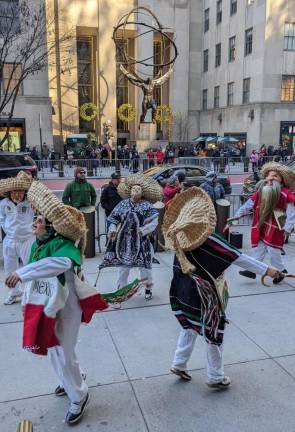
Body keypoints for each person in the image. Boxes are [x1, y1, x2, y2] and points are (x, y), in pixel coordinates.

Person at [162, 187, 283, 387]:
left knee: (189, 325)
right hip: (204, 295)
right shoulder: (210, 240)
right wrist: (269, 270)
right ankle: (216, 377)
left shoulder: (180, 239)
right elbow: (239, 258)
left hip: (183, 291)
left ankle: (179, 362)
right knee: (212, 331)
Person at [227, 162, 295, 283]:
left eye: (275, 176)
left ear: (281, 180)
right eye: (269, 175)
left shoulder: (285, 194)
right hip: (260, 227)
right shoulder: (261, 192)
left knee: (274, 253)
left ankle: (281, 272)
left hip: (275, 229)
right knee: (258, 250)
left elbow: (291, 212)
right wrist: (235, 217)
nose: (271, 178)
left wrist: (288, 228)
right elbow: (247, 205)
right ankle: (252, 270)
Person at [100, 174, 163, 300]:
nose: (135, 197)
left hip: (142, 241)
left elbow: (154, 222)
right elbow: (113, 218)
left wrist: (143, 230)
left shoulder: (146, 206)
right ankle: (121, 290)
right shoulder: (123, 204)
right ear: (130, 193)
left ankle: (148, 288)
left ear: (141, 194)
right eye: (133, 194)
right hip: (124, 241)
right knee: (123, 268)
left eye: (137, 195)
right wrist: (112, 229)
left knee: (145, 267)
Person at [0, 171, 34, 305]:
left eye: (21, 191)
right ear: (10, 192)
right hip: (10, 240)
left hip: (27, 239)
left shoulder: (30, 202)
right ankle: (14, 293)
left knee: (29, 267)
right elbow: (2, 219)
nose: (18, 194)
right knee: (9, 268)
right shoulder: (4, 203)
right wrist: (8, 230)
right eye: (15, 191)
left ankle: (29, 294)